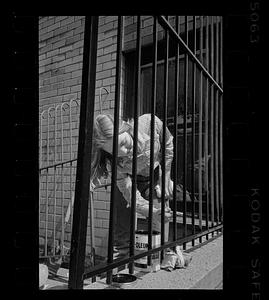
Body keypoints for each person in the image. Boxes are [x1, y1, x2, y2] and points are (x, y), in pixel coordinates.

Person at [90, 113, 175, 260]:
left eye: (123, 143)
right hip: (129, 181)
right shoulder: (112, 163)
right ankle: (121, 261)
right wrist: (149, 211)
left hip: (153, 177)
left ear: (125, 128)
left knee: (160, 218)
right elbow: (131, 195)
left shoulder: (149, 123)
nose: (123, 152)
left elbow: (168, 145)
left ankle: (160, 255)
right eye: (115, 151)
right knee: (123, 223)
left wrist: (166, 177)